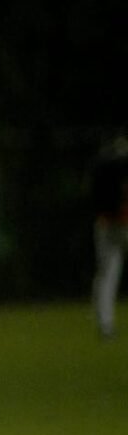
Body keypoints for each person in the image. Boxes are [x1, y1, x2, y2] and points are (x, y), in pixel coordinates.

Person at [90, 132, 128, 339]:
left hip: (105, 223)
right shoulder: (119, 164)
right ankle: (105, 324)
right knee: (107, 274)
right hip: (120, 222)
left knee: (106, 275)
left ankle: (105, 324)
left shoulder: (101, 163)